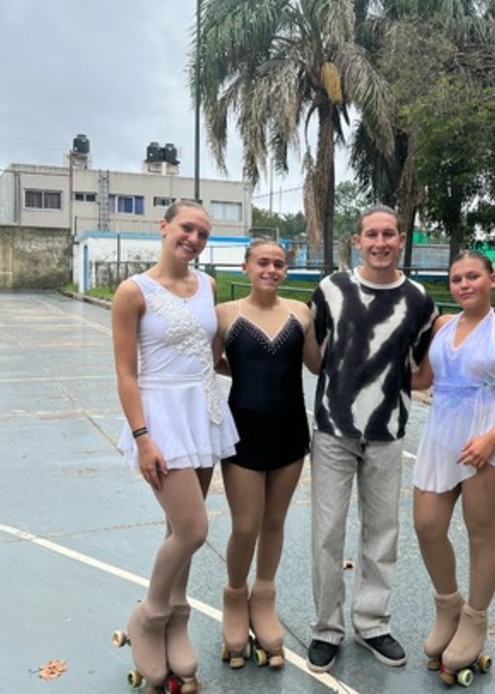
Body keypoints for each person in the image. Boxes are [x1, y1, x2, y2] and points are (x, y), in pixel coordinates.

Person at [112, 200, 240, 693]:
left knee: (177, 526)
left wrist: (265, 362)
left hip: (204, 414)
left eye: (204, 233)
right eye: (187, 227)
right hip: (161, 420)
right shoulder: (132, 292)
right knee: (193, 528)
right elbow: (126, 373)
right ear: (164, 227)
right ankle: (150, 616)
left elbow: (211, 358)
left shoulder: (206, 285)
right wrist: (143, 439)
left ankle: (177, 624)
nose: (194, 238)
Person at [306, 205, 438, 673]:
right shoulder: (330, 289)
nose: (380, 242)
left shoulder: (420, 299)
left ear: (401, 239)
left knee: (383, 532)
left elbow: (422, 368)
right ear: (356, 240)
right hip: (332, 430)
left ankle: (372, 623)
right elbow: (315, 356)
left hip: (386, 433)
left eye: (389, 234)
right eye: (371, 234)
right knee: (327, 534)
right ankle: (326, 629)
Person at [411, 251, 495, 680]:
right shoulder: (442, 326)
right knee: (427, 526)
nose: (464, 285)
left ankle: (475, 618)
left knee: (481, 533)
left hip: (488, 438)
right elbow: (424, 379)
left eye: (472, 277)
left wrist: (491, 439)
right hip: (440, 434)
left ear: (492, 280)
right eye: (456, 279)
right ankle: (448, 607)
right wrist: (370, 364)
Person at [215, 238, 320, 668]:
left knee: (274, 522)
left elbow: (317, 364)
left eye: (279, 263)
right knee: (245, 525)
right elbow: (209, 363)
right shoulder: (225, 315)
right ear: (246, 266)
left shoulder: (301, 313)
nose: (271, 269)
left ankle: (264, 596)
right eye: (263, 262)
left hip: (290, 430)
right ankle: (235, 598)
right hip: (242, 432)